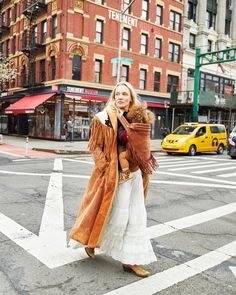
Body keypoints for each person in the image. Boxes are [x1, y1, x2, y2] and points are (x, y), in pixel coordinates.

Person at [69, 81, 157, 277]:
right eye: (117, 94)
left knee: (137, 218)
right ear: (113, 96)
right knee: (112, 214)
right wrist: (106, 166)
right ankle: (90, 241)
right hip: (114, 175)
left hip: (134, 174)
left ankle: (130, 260)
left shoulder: (138, 116)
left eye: (125, 94)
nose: (120, 97)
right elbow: (95, 146)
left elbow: (143, 143)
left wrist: (143, 164)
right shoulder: (103, 118)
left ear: (131, 97)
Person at [118, 102, 156, 184]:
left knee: (122, 156)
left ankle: (125, 175)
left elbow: (122, 137)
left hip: (136, 156)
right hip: (146, 155)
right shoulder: (146, 129)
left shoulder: (134, 130)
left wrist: (121, 129)